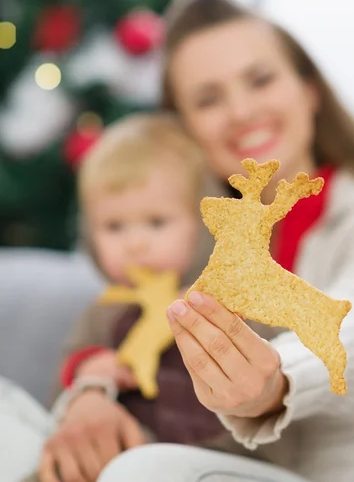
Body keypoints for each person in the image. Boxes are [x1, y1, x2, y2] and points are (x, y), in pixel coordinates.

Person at [98, 0, 354, 482]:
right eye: (208, 99)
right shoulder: (188, 242)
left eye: (261, 80)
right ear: (185, 128)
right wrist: (91, 394)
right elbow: (115, 329)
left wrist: (276, 380)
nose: (240, 111)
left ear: (308, 90)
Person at [25, 112, 229, 482]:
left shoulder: (227, 298)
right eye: (114, 227)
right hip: (120, 450)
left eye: (156, 222)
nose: (135, 243)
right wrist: (89, 373)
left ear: (201, 225)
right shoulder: (105, 311)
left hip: (216, 460)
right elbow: (65, 378)